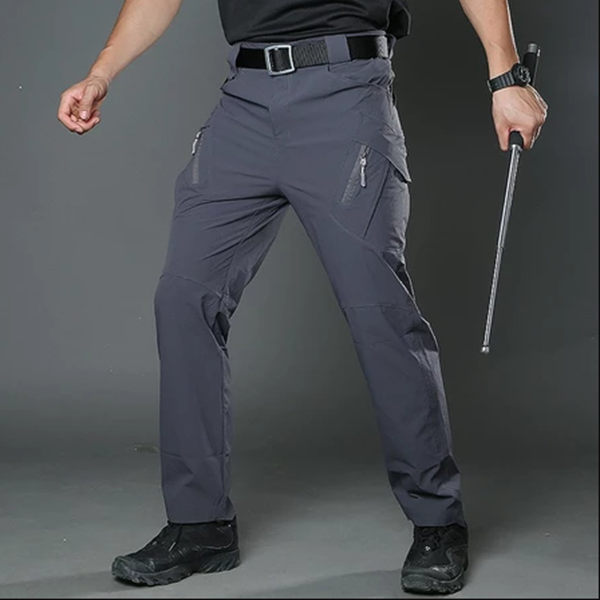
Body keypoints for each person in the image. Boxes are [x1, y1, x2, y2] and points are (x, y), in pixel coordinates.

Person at [57, 0, 547, 594]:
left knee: (379, 311)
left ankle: (437, 521)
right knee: (183, 299)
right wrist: (101, 73)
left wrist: (506, 75)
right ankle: (200, 523)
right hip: (245, 102)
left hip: (346, 95)